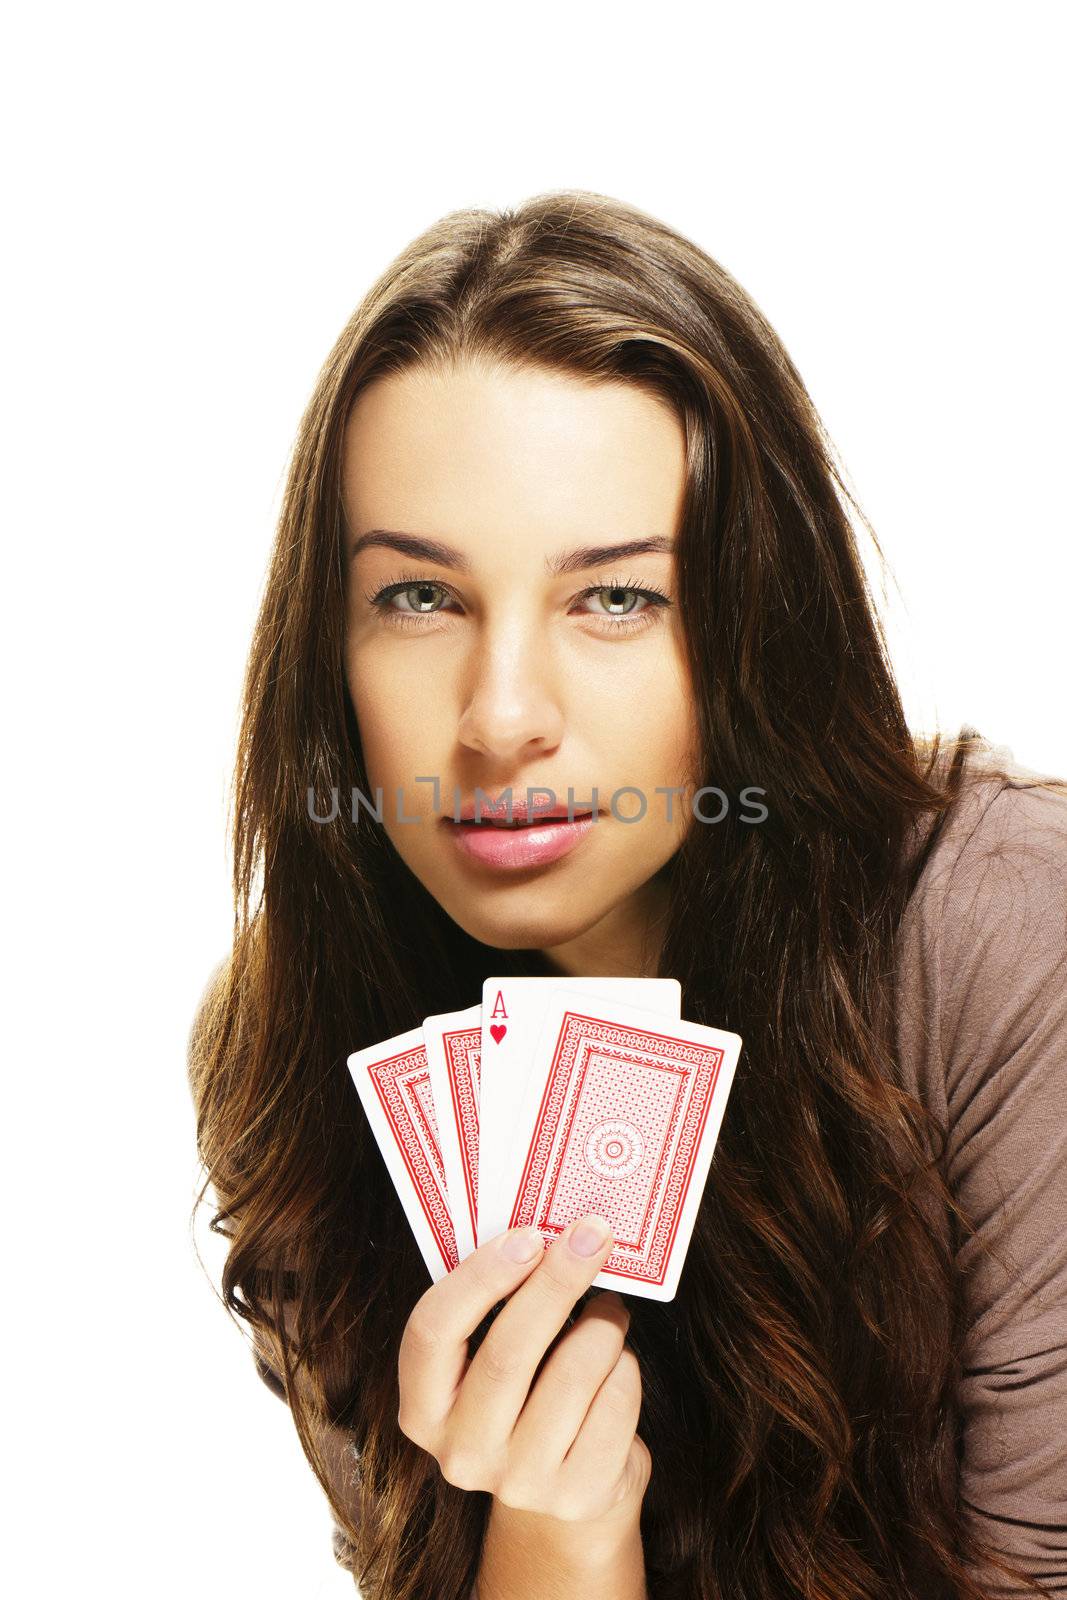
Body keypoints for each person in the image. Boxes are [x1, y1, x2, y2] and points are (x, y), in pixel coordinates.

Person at [187, 190, 1067, 1600]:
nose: (503, 717)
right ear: (328, 650)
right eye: (419, 597)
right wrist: (556, 1542)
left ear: (753, 625)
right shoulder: (291, 1060)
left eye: (617, 600)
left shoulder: (1005, 939)